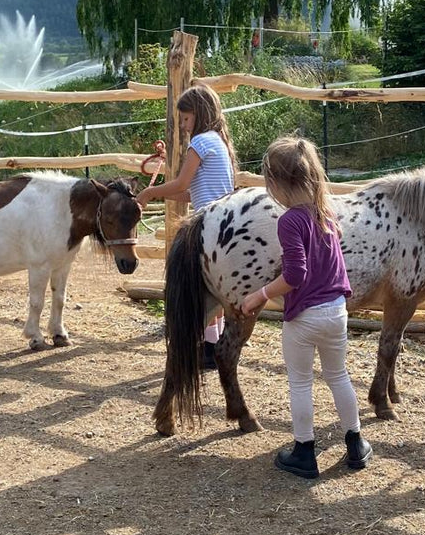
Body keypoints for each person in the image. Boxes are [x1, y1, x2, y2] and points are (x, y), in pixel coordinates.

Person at [240, 136, 370, 478]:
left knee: (300, 382)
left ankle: (304, 451)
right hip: (336, 311)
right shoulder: (326, 212)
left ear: (275, 181)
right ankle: (356, 443)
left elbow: (296, 274)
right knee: (338, 375)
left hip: (305, 317)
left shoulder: (290, 221)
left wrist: (260, 295)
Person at [138, 84, 237, 368]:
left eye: (185, 118)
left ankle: (203, 349)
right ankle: (212, 348)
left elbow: (181, 184)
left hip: (206, 223)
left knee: (196, 289)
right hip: (224, 223)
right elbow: (188, 193)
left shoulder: (200, 142)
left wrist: (148, 193)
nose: (182, 126)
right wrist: (159, 192)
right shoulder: (219, 142)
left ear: (199, 114)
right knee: (214, 290)